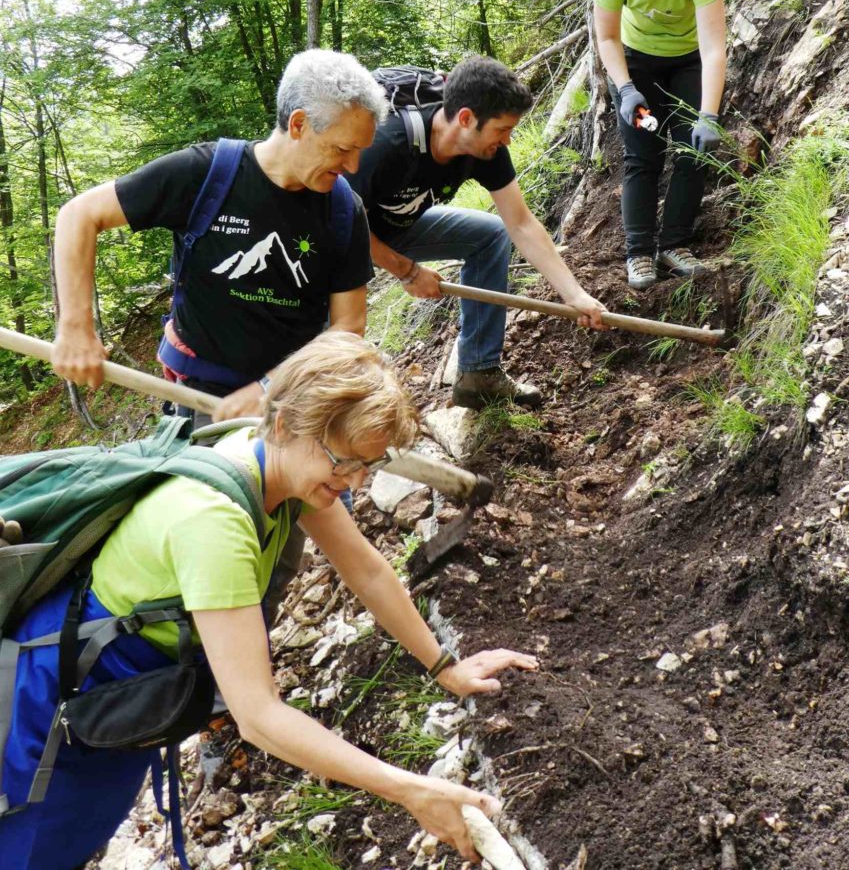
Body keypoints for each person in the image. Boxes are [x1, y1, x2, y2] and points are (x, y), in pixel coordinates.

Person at [0, 331, 537, 869]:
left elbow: (367, 571)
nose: (352, 482)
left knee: (78, 836)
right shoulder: (214, 523)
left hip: (121, 704)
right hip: (50, 708)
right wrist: (410, 790)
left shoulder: (278, 471)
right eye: (345, 462)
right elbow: (256, 714)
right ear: (284, 424)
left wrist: (446, 667)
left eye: (367, 467)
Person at [51, 49, 388, 424]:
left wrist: (268, 388)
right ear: (298, 125)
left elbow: (348, 328)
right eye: (343, 149)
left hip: (297, 395)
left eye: (360, 151)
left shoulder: (345, 210)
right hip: (204, 394)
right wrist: (76, 327)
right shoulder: (205, 175)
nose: (354, 166)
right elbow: (79, 215)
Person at [347, 55, 606, 410]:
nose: (508, 141)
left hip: (397, 227)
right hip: (336, 240)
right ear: (466, 118)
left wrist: (573, 294)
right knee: (343, 335)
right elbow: (342, 226)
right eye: (502, 130)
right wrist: (407, 271)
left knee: (491, 235)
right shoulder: (387, 145)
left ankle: (479, 376)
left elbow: (521, 223)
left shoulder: (486, 151)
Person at [593, 0, 727, 291]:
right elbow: (608, 39)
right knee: (642, 155)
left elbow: (714, 47)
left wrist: (708, 115)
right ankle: (639, 254)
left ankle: (675, 245)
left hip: (689, 59)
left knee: (692, 151)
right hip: (636, 62)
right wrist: (627, 89)